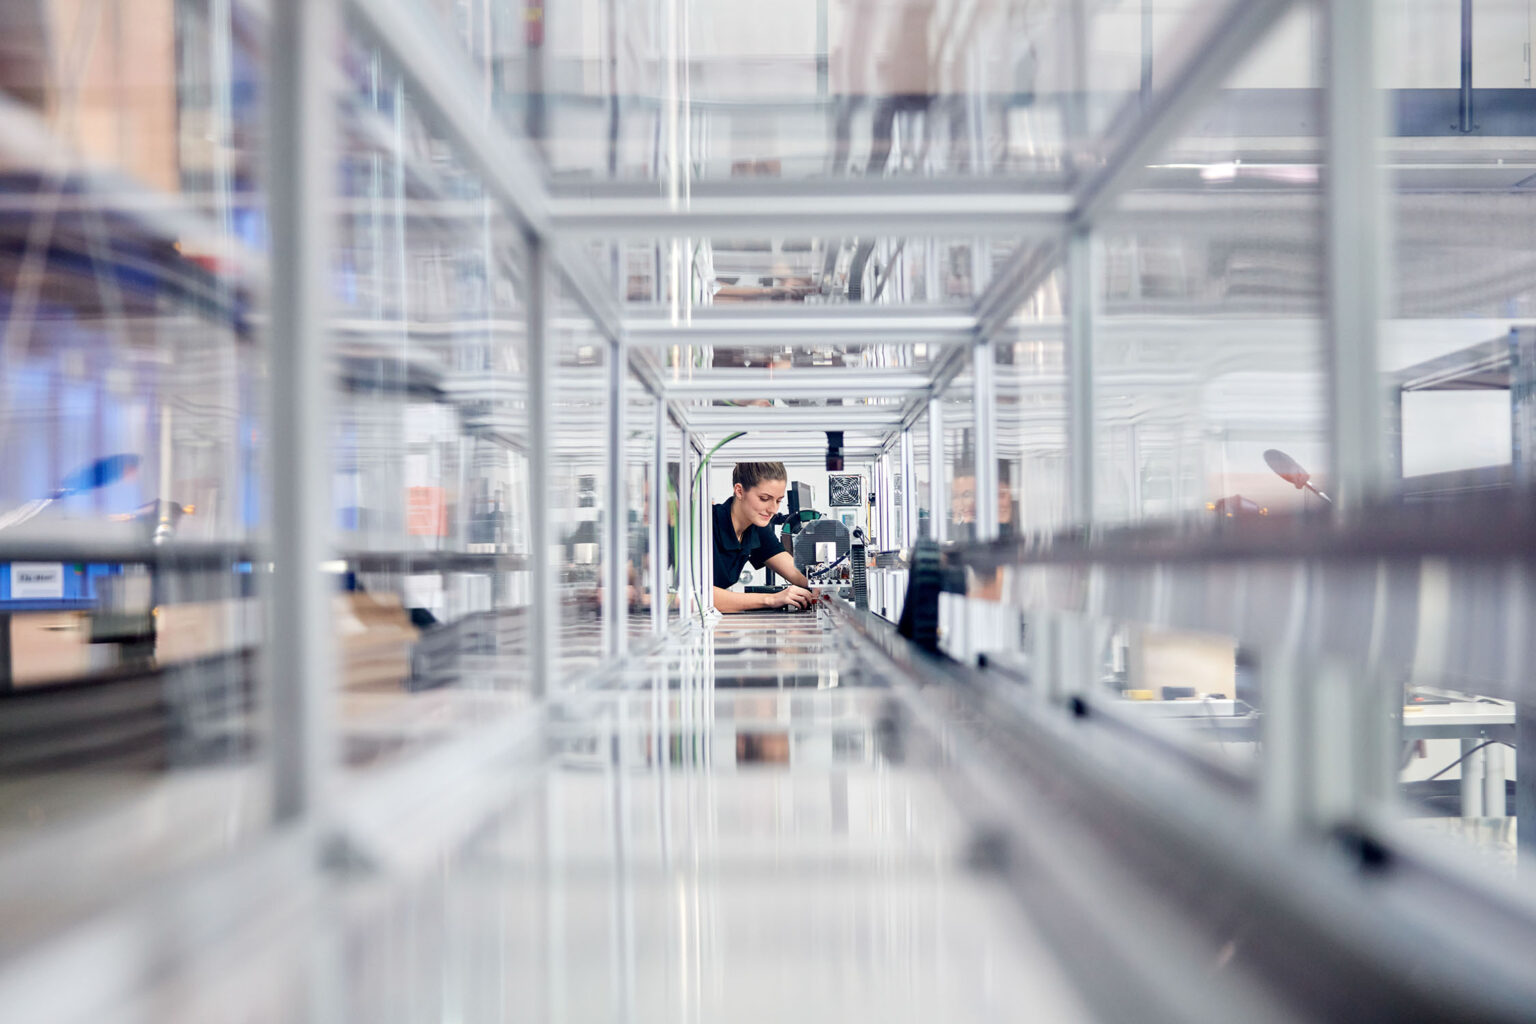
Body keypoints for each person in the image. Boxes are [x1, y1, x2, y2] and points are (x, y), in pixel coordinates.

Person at [712, 462, 816, 612]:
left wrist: (821, 584)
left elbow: (795, 571)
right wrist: (772, 599)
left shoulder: (755, 527)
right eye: (764, 498)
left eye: (778, 500)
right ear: (739, 491)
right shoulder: (707, 524)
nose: (773, 509)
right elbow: (694, 596)